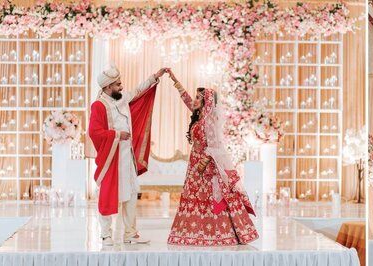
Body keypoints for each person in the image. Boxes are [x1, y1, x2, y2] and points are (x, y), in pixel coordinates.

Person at [166, 70, 259, 246]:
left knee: (209, 198)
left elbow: (215, 146)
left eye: (198, 98)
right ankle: (192, 232)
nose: (194, 100)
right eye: (195, 97)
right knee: (193, 197)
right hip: (194, 166)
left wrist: (204, 162)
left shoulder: (211, 119)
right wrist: (174, 80)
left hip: (206, 166)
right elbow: (187, 100)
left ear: (206, 102)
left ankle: (214, 233)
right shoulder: (200, 115)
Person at [88, 66, 169, 245]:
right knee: (108, 195)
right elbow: (94, 132)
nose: (121, 87)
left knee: (131, 194)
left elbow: (137, 91)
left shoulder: (122, 99)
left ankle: (130, 234)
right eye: (118, 84)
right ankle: (105, 234)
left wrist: (155, 76)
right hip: (111, 158)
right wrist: (117, 134)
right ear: (108, 87)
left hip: (127, 157)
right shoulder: (99, 106)